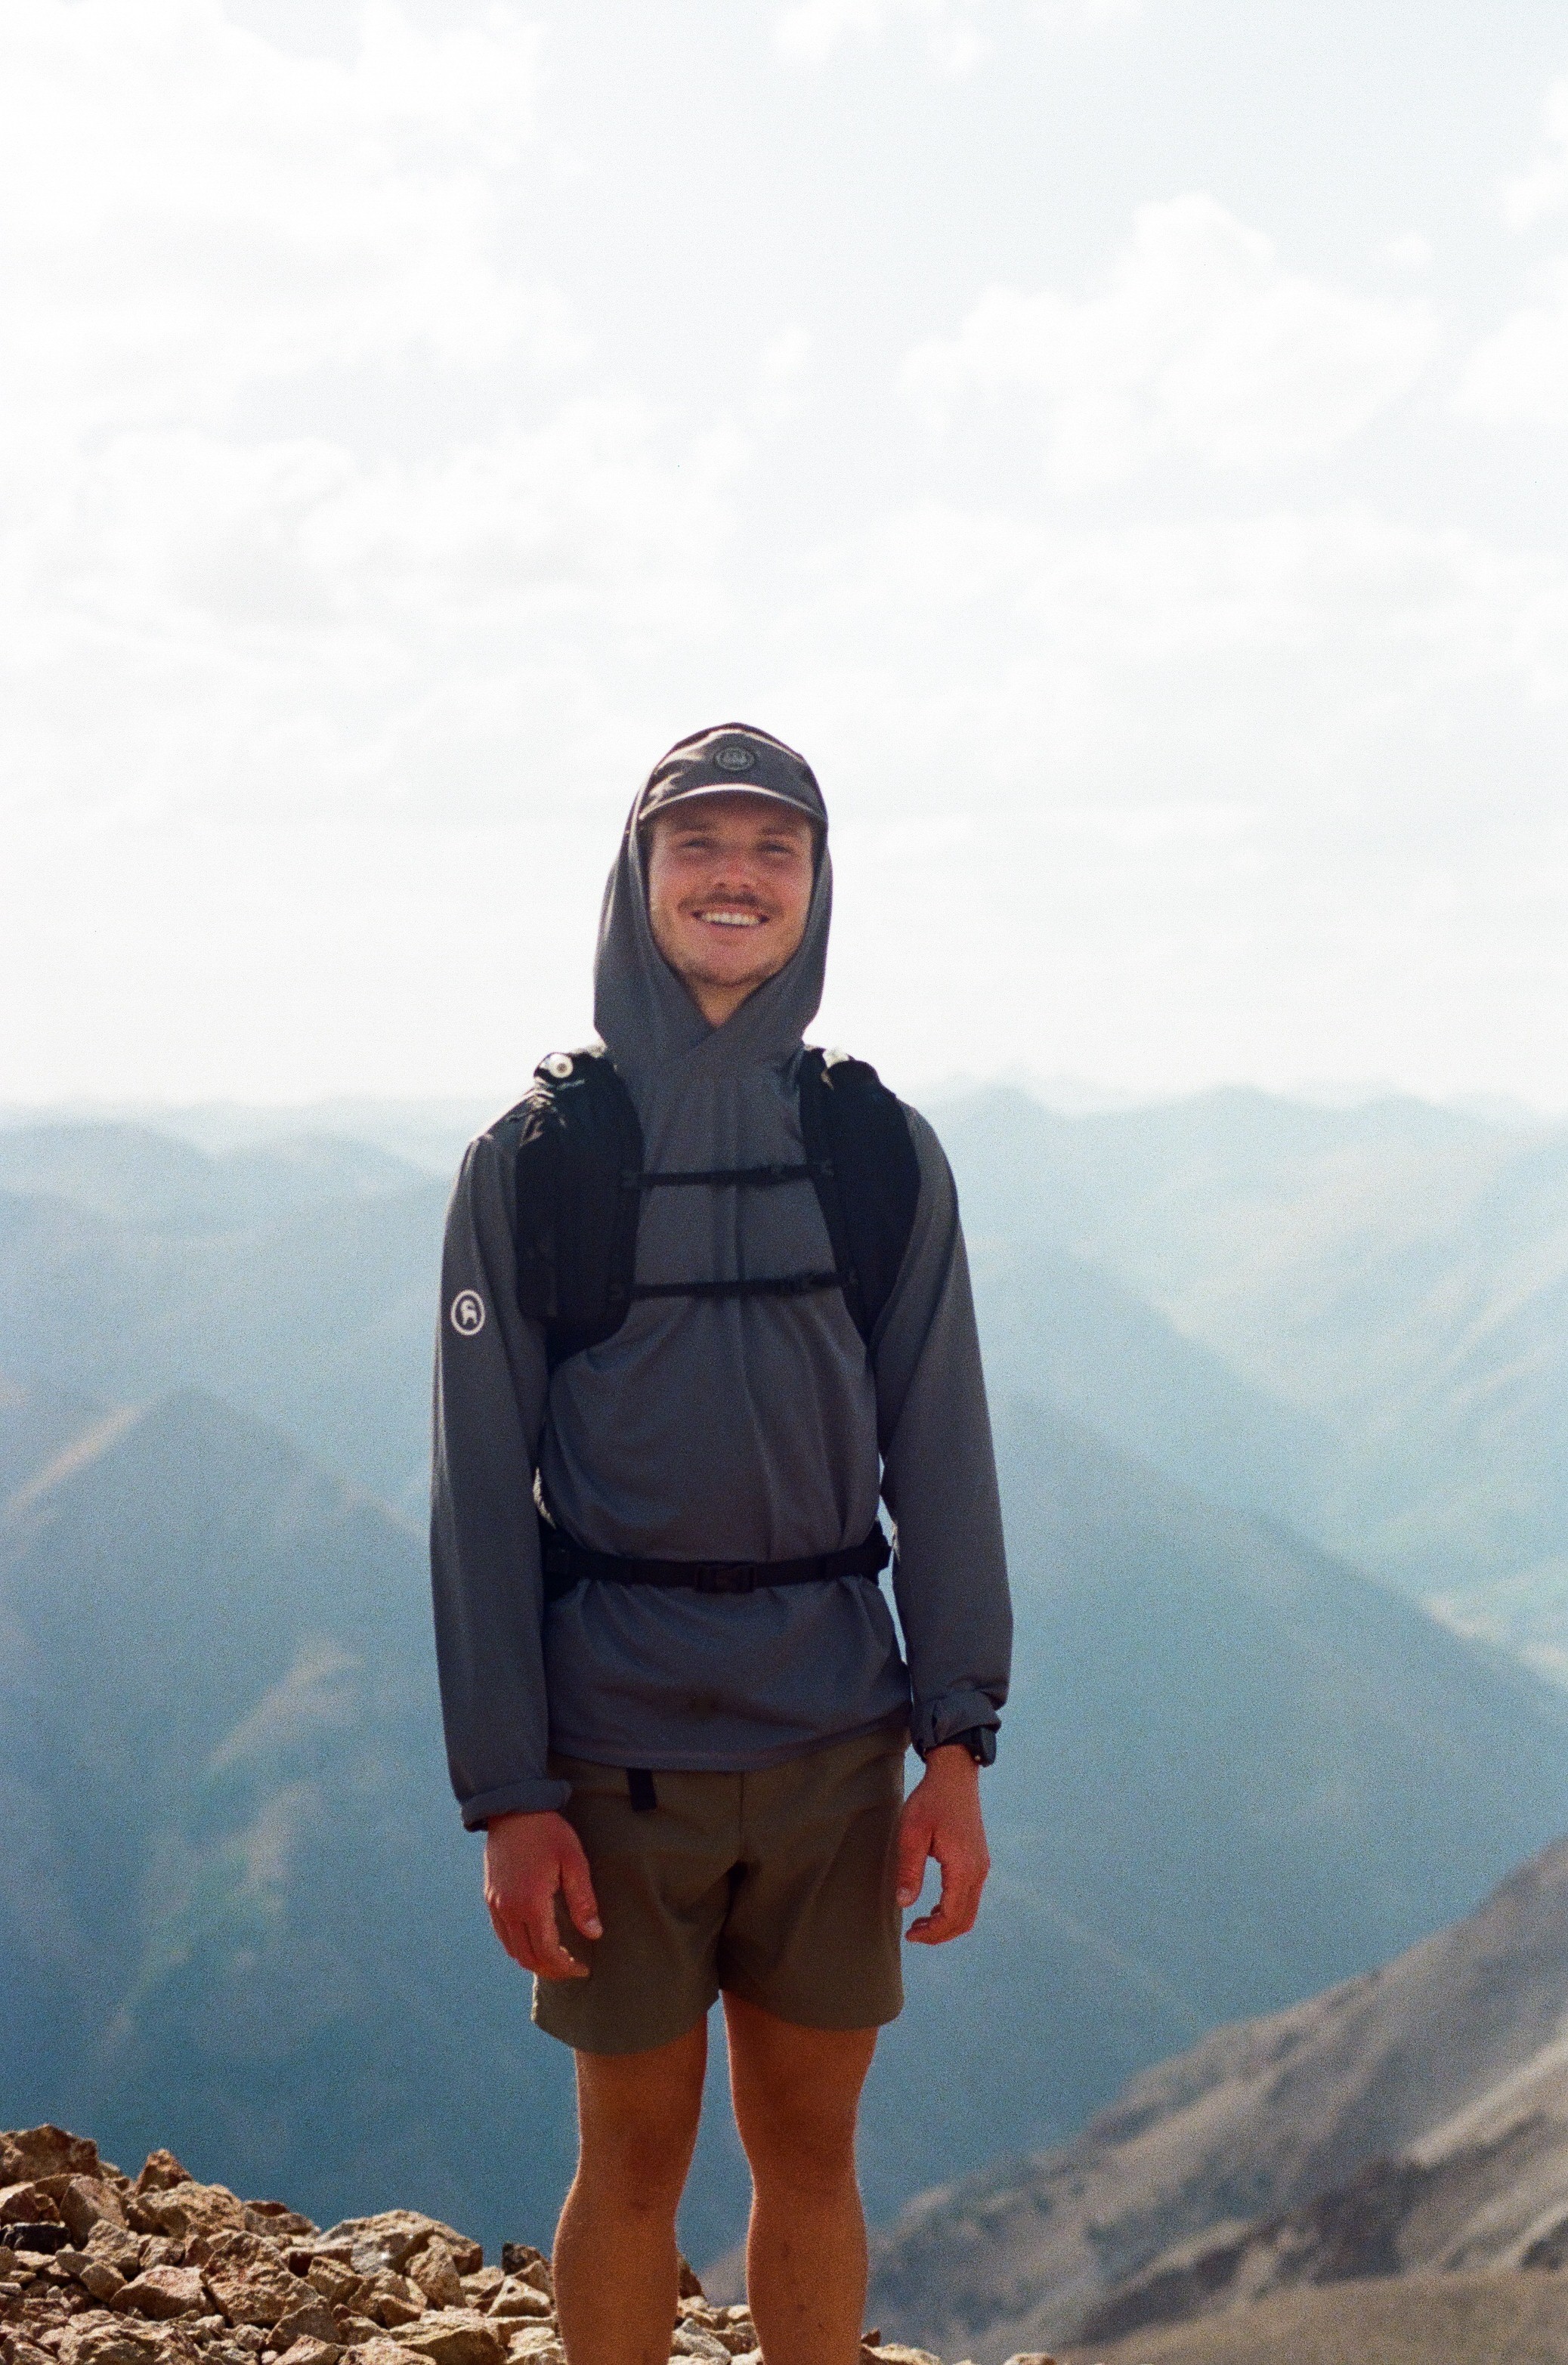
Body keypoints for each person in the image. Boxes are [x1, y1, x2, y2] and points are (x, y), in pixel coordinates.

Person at [431, 722, 1011, 2365]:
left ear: (817, 888)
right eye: (701, 845)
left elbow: (946, 1454)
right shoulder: (537, 1160)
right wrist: (507, 1790)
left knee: (812, 2154)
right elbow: (475, 1492)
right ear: (642, 875)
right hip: (613, 1760)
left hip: (837, 1744)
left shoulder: (879, 1151)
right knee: (631, 2160)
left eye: (775, 848)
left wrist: (957, 1740)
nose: (736, 877)